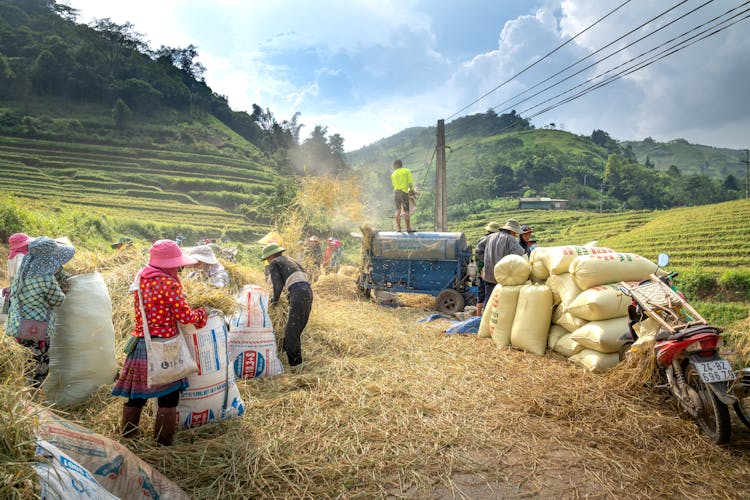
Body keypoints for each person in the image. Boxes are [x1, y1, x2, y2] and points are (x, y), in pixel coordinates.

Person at [112, 239, 207, 445]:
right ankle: (162, 445)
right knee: (168, 399)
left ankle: (128, 439)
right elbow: (185, 317)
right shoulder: (168, 283)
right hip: (164, 346)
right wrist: (202, 314)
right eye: (176, 264)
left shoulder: (141, 278)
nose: (179, 268)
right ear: (170, 264)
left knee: (137, 396)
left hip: (141, 343)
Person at [5, 237, 75, 387]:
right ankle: (31, 398)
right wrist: (64, 290)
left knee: (21, 365)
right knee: (36, 367)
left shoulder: (23, 271)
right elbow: (58, 300)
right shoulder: (45, 278)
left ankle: (20, 393)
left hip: (17, 325)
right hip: (35, 330)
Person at [262, 243, 313, 368]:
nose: (267, 261)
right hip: (307, 292)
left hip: (298, 293)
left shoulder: (274, 263)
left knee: (291, 332)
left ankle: (295, 366)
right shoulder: (291, 260)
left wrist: (274, 300)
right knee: (296, 328)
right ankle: (290, 356)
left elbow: (277, 285)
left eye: (267, 258)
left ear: (271, 255)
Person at [482, 219, 525, 301]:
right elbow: (520, 252)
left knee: (488, 300)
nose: (515, 234)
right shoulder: (510, 238)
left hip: (488, 275)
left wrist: (487, 261)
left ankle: (485, 314)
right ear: (511, 231)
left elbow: (478, 250)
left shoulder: (490, 237)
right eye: (515, 232)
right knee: (500, 302)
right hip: (503, 276)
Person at [474, 221, 500, 316]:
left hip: (482, 271)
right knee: (489, 295)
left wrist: (480, 269)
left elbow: (477, 256)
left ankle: (478, 316)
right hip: (488, 272)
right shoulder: (493, 241)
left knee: (481, 294)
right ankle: (485, 316)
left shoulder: (481, 239)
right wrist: (484, 267)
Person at [391, 159, 415, 232]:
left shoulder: (393, 174)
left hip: (396, 193)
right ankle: (408, 228)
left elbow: (394, 185)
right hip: (404, 193)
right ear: (401, 165)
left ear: (395, 165)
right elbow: (410, 182)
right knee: (406, 211)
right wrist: (411, 190)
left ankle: (398, 228)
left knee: (398, 210)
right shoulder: (406, 171)